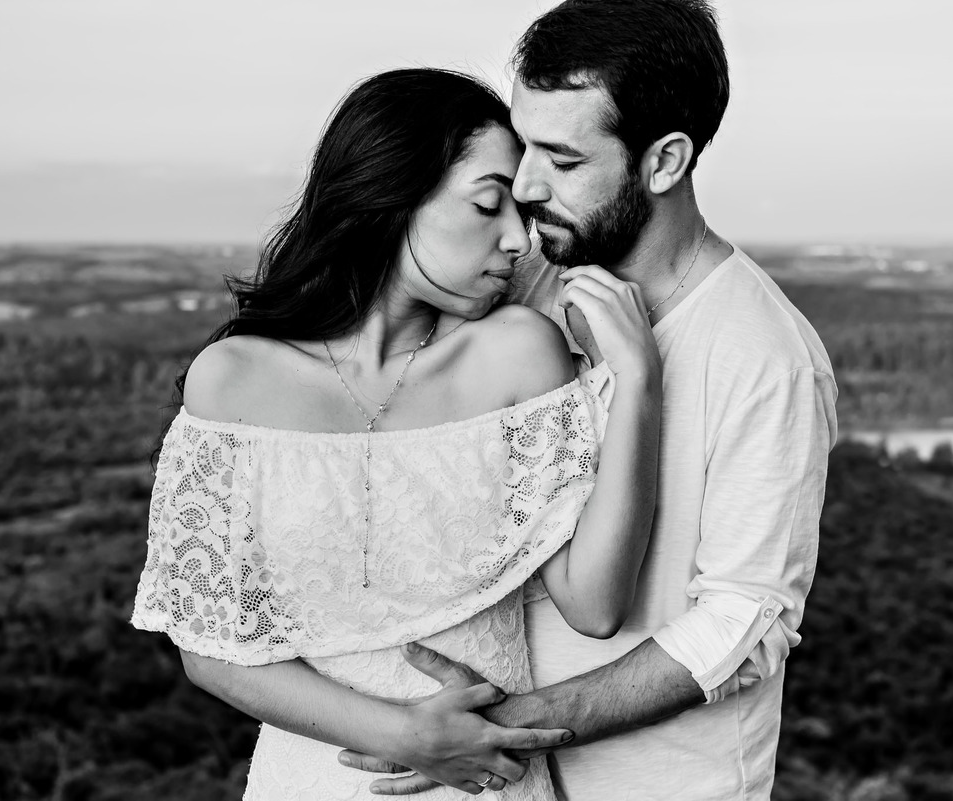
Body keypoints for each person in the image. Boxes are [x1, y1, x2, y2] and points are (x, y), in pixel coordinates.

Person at [342, 2, 838, 799]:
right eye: (525, 143)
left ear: (665, 161)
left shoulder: (763, 356)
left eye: (564, 159)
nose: (527, 185)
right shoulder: (516, 282)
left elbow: (743, 621)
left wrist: (508, 726)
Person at [130, 68, 664, 800]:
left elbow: (596, 604)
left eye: (521, 209)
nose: (518, 239)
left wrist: (637, 383)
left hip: (488, 785)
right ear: (390, 195)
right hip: (313, 780)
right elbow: (210, 649)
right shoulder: (231, 381)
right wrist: (403, 735)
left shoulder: (515, 353)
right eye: (488, 205)